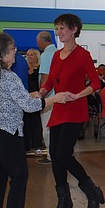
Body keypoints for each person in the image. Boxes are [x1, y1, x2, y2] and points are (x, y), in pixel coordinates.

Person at [0, 33, 67, 208]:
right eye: (12, 50)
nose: (15, 53)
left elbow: (9, 99)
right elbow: (29, 107)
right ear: (1, 54)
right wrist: (55, 99)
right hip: (7, 133)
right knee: (19, 175)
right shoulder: (9, 77)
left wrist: (31, 95)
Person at [38, 13, 105, 208]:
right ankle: (64, 202)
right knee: (56, 157)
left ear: (74, 29)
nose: (58, 32)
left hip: (75, 111)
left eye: (62, 28)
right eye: (57, 28)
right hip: (58, 109)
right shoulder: (57, 55)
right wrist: (41, 93)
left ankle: (91, 191)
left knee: (62, 154)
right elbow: (50, 82)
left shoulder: (82, 55)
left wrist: (78, 95)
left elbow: (95, 83)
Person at [36, 30, 57, 165]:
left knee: (47, 126)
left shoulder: (45, 55)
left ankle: (50, 155)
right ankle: (57, 153)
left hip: (48, 96)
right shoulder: (58, 52)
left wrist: (40, 96)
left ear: (42, 42)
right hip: (58, 96)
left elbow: (45, 77)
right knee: (56, 127)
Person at [24, 48, 44, 156]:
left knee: (36, 122)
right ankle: (26, 145)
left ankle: (37, 146)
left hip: (36, 98)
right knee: (25, 122)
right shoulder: (24, 69)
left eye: (32, 54)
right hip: (26, 98)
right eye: (28, 54)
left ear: (36, 57)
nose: (29, 56)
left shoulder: (39, 70)